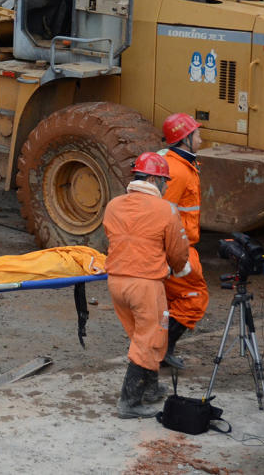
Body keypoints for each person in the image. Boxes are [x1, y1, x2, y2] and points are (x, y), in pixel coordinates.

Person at [103, 152, 191, 419]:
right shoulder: (164, 210)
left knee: (141, 337)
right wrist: (179, 268)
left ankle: (150, 389)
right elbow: (177, 253)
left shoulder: (114, 205)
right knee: (149, 340)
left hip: (116, 282)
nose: (164, 186)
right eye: (163, 180)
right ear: (154, 179)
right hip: (145, 284)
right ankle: (129, 403)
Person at [158, 113, 210, 369]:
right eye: (197, 134)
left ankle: (160, 350)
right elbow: (161, 213)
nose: (201, 138)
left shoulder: (181, 165)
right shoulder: (178, 171)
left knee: (171, 301)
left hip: (178, 245)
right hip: (178, 248)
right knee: (194, 297)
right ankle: (161, 350)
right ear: (185, 139)